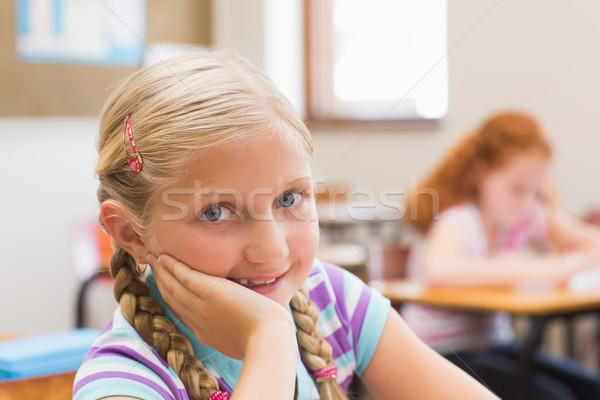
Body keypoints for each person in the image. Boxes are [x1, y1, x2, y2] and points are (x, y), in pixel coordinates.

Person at [72, 48, 496, 400]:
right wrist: (269, 341)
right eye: (216, 212)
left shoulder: (333, 300)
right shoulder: (122, 383)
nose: (273, 250)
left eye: (290, 199)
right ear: (131, 234)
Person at [404, 111, 600, 400]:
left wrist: (567, 260)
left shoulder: (523, 218)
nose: (526, 201)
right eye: (517, 189)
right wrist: (541, 269)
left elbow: (592, 244)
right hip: (441, 352)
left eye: (536, 190)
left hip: (494, 345)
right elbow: (438, 271)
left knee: (592, 389)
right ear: (481, 172)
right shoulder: (460, 221)